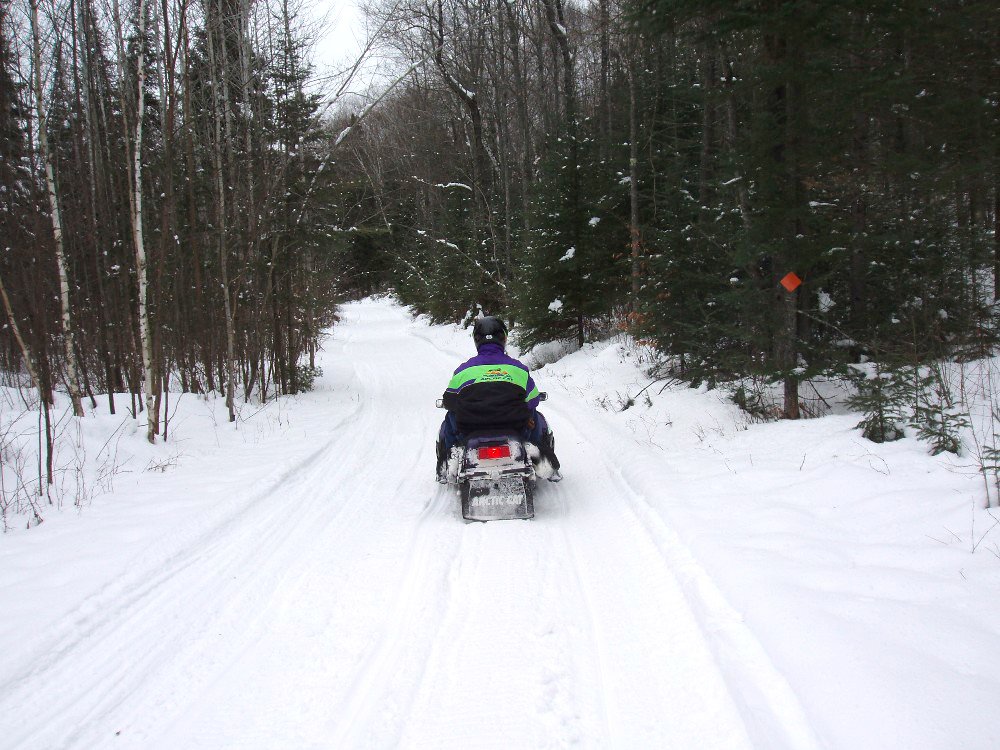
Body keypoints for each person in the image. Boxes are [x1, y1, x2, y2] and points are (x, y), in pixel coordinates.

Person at [437, 316, 561, 483]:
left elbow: (450, 401)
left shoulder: (463, 371)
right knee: (534, 414)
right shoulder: (518, 369)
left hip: (471, 427)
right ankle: (536, 448)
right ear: (503, 338)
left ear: (477, 340)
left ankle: (451, 454)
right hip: (514, 425)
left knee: (450, 416)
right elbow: (533, 400)